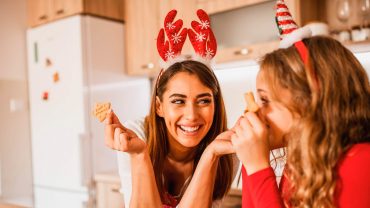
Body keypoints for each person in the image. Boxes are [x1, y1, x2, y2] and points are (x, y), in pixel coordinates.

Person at [105, 9, 239, 208]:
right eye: (178, 101)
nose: (191, 115)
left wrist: (210, 155)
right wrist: (139, 155)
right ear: (159, 106)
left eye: (203, 101)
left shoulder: (225, 150)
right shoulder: (137, 136)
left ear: (215, 105)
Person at [231, 35, 370, 207]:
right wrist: (249, 161)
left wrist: (257, 168)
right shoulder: (300, 165)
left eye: (265, 100)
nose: (257, 111)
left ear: (309, 102)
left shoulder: (362, 163)